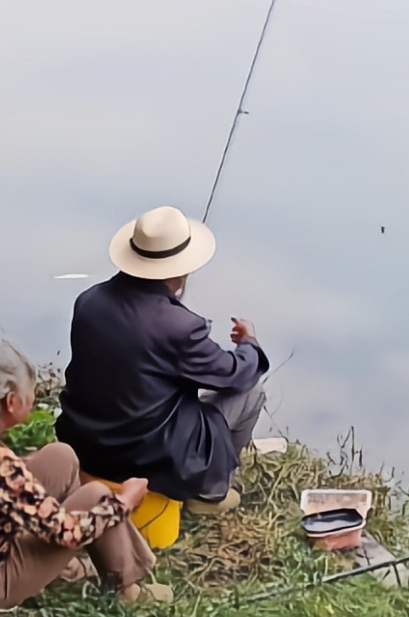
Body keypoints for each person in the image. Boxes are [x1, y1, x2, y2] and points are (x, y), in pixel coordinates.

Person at [0, 341, 171, 609]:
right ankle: (127, 591)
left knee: (61, 456)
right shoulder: (1, 468)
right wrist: (125, 501)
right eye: (29, 392)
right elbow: (68, 533)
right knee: (98, 497)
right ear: (11, 402)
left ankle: (72, 563)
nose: (33, 398)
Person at [56, 205, 268, 515]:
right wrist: (250, 343)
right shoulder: (180, 326)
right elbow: (235, 374)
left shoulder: (89, 300)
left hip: (85, 444)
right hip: (142, 455)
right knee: (250, 393)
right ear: (181, 268)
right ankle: (209, 492)